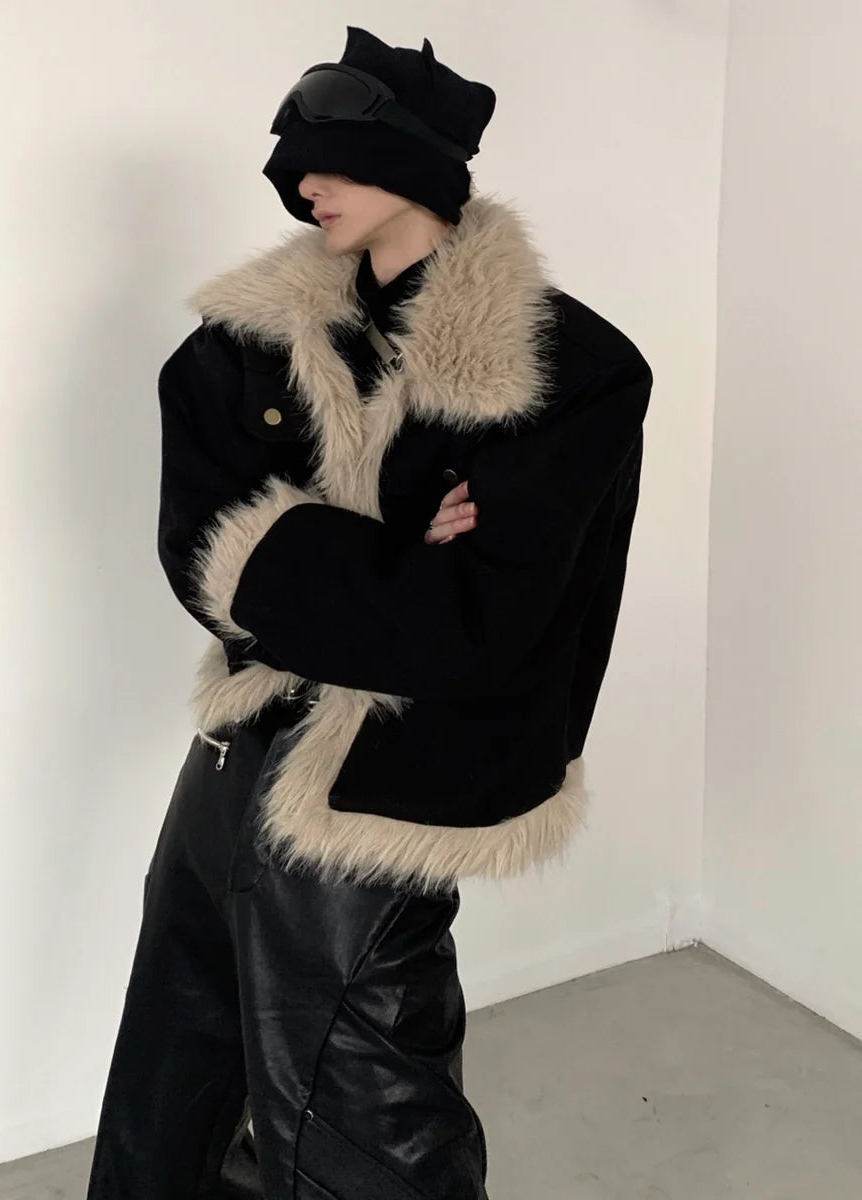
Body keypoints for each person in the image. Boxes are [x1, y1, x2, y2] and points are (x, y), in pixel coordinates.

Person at [85, 24, 653, 1200]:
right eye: (296, 167)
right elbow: (200, 552)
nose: (305, 186)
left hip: (394, 784)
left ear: (422, 167)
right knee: (177, 1065)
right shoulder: (243, 347)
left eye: (334, 161)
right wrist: (398, 542)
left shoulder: (572, 368)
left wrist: (306, 552)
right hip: (236, 754)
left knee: (367, 1111)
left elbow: (476, 623)